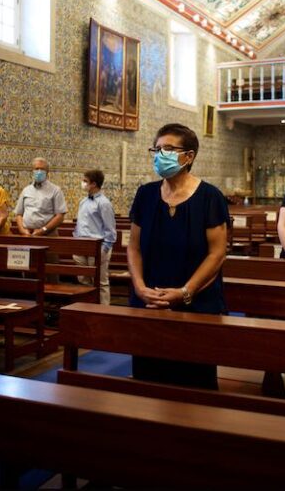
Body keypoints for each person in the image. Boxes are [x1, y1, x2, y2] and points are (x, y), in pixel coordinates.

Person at [127, 123, 229, 389]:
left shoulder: (210, 197)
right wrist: (139, 287)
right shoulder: (146, 194)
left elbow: (217, 254)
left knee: (193, 386)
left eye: (169, 149)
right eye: (157, 149)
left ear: (189, 156)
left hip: (196, 305)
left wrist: (185, 292)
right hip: (149, 302)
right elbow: (134, 247)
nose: (161, 155)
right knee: (147, 385)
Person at [72, 170, 116, 305]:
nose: (83, 183)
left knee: (100, 281)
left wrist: (105, 249)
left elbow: (110, 228)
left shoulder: (104, 203)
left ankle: (103, 311)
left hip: (97, 246)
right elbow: (80, 223)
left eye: (85, 181)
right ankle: (87, 307)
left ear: (94, 184)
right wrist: (75, 240)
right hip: (81, 245)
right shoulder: (83, 202)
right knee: (83, 280)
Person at [14, 157, 67, 237]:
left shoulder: (56, 190)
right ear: (32, 171)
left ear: (47, 172)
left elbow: (60, 216)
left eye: (42, 169)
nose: (39, 171)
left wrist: (43, 230)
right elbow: (19, 214)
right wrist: (22, 230)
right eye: (36, 169)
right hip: (27, 234)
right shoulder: (26, 190)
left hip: (48, 234)